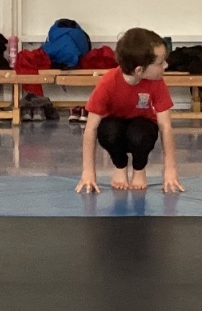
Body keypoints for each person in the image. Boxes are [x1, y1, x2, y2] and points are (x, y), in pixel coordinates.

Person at [76, 27, 184, 193]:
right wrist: (88, 172)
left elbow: (165, 127)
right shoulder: (108, 83)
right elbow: (91, 128)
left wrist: (170, 170)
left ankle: (139, 169)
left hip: (141, 129)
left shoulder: (156, 82)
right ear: (139, 70)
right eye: (160, 63)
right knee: (108, 130)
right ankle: (120, 166)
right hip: (115, 130)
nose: (166, 65)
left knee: (140, 133)